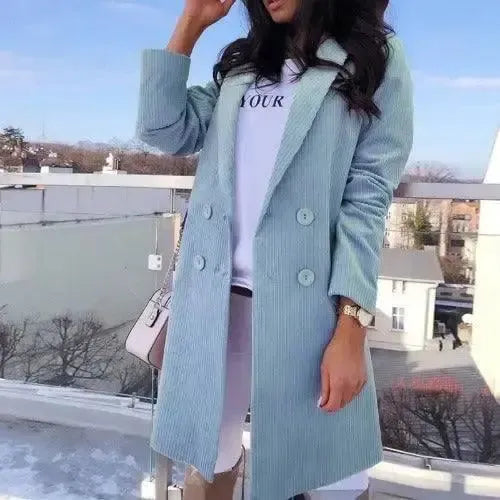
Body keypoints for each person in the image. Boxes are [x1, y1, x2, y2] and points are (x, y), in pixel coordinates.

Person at [136, 0, 413, 498]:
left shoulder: (373, 55)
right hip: (216, 296)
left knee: (331, 473)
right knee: (209, 457)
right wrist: (191, 22)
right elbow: (164, 131)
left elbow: (369, 195)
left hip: (307, 303)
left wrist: (352, 325)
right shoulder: (245, 64)